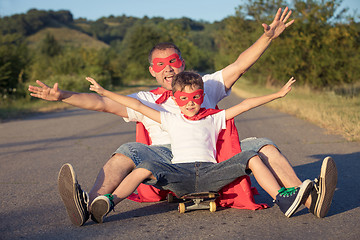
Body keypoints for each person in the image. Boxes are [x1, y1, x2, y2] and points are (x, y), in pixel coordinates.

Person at [28, 7, 337, 227]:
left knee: (264, 144)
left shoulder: (205, 85)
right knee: (128, 151)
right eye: (160, 64)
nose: (168, 68)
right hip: (166, 157)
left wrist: (268, 38)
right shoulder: (147, 99)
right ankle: (91, 205)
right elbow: (101, 104)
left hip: (216, 151)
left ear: (183, 63)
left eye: (173, 61)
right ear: (152, 70)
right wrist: (63, 96)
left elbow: (241, 64)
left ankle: (306, 198)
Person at [85, 72, 314, 223]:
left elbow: (245, 105)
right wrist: (105, 93)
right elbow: (135, 104)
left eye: (196, 97)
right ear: (175, 99)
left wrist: (278, 94)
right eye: (184, 98)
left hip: (212, 173)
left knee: (251, 156)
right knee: (146, 166)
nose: (191, 102)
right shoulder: (169, 119)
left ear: (202, 96)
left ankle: (282, 198)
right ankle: (108, 202)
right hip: (179, 175)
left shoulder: (214, 117)